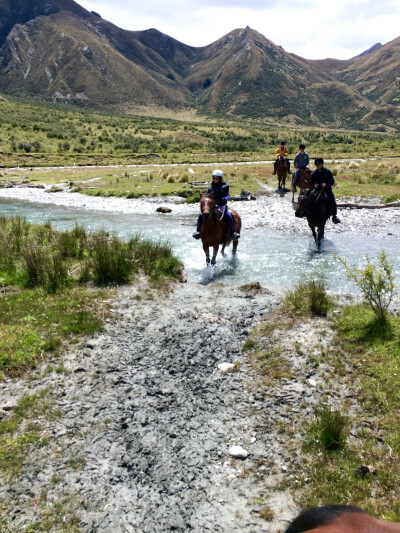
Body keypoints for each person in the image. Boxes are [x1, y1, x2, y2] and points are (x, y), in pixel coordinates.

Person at [193, 169, 240, 240]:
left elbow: (228, 196)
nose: (215, 180)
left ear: (220, 179)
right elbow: (208, 195)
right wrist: (203, 198)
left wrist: (224, 199)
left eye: (217, 178)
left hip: (221, 205)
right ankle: (198, 231)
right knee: (201, 215)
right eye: (214, 178)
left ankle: (233, 232)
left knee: (228, 215)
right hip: (212, 205)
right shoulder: (210, 187)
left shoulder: (225, 187)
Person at [311, 157, 341, 223]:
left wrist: (326, 184)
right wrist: (314, 185)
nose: (317, 166)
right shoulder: (314, 173)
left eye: (318, 165)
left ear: (322, 164)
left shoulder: (327, 172)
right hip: (317, 190)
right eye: (316, 165)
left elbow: (332, 181)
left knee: (332, 200)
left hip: (326, 190)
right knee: (309, 198)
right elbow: (312, 182)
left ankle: (334, 216)